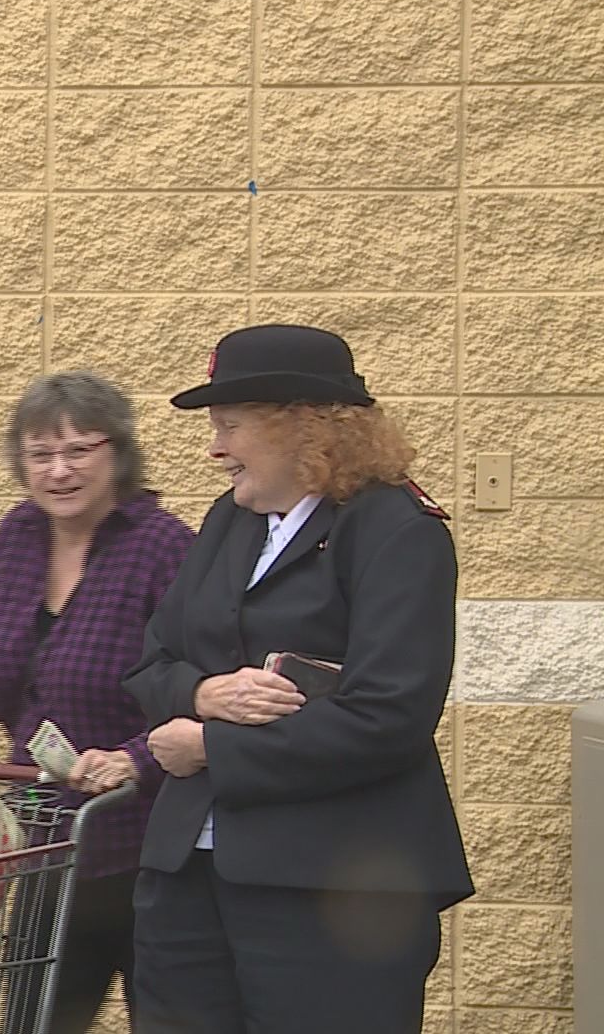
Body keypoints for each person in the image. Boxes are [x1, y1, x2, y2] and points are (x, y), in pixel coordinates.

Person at [125, 325, 473, 1034]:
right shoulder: (232, 519)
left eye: (230, 426)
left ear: (307, 424)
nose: (213, 448)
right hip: (189, 873)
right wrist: (201, 694)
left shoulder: (397, 530)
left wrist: (210, 748)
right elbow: (150, 661)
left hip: (332, 888)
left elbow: (388, 717)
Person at [0, 371, 194, 1034]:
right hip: (50, 837)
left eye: (79, 451)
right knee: (33, 1020)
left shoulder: (163, 545)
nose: (59, 471)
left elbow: (192, 689)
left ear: (118, 453)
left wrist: (134, 758)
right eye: (40, 453)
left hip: (145, 845)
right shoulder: (18, 535)